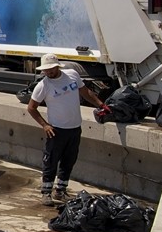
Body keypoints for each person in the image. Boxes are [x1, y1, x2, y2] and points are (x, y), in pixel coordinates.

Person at [27, 53, 108, 205]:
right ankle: (46, 192)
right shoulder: (43, 86)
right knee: (51, 161)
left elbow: (85, 92)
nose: (49, 72)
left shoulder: (72, 75)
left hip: (75, 128)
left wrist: (100, 104)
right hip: (56, 130)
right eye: (46, 70)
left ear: (58, 66)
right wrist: (45, 125)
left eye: (51, 69)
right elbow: (31, 108)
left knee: (68, 161)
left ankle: (61, 191)